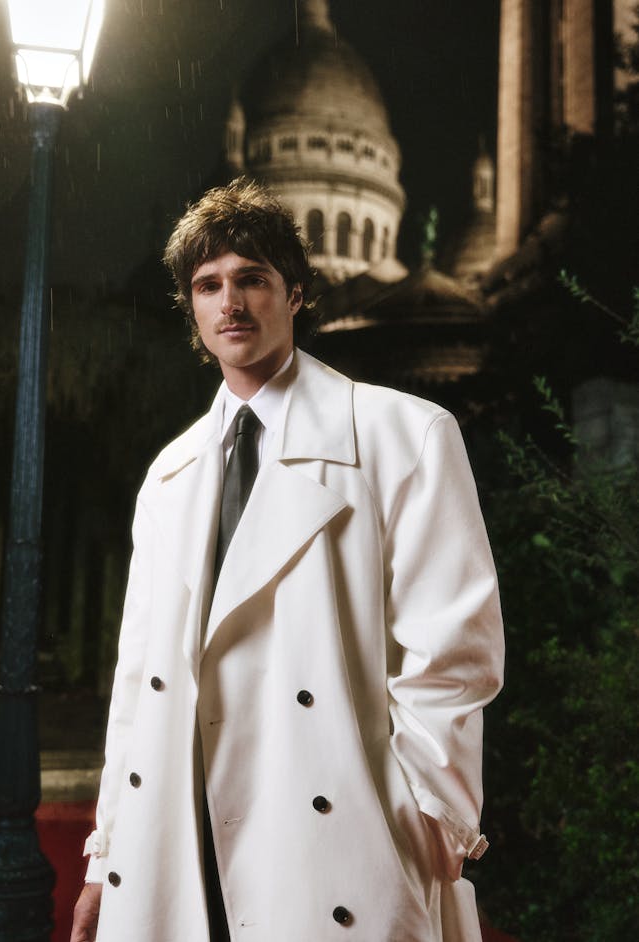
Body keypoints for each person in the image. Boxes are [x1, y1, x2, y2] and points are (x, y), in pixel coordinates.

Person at [70, 178, 504, 942]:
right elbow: (138, 684)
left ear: (296, 293)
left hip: (335, 841)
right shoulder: (169, 473)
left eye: (252, 280)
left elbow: (454, 653)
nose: (229, 303)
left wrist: (430, 818)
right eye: (208, 286)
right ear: (191, 308)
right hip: (176, 838)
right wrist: (106, 856)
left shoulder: (406, 434)